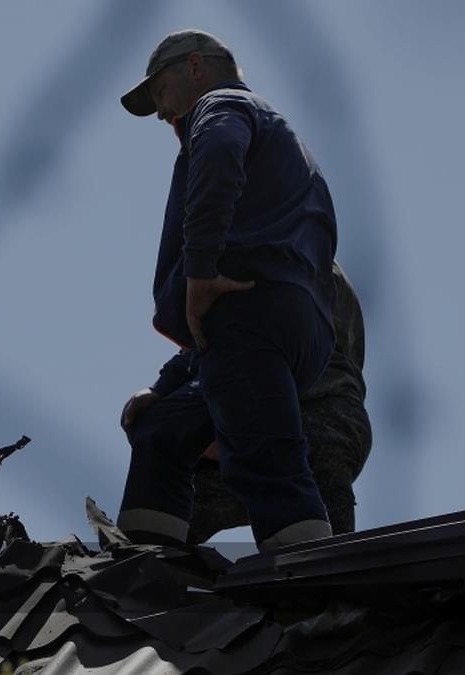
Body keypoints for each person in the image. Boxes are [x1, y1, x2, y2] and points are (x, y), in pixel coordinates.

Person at [116, 30, 344, 551]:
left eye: (160, 91)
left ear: (196, 66)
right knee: (161, 429)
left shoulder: (221, 107)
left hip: (249, 314)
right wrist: (165, 385)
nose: (160, 112)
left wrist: (198, 272)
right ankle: (146, 561)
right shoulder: (278, 137)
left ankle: (308, 576)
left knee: (264, 457)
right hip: (285, 324)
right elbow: (230, 317)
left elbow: (219, 156)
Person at [120, 262, 372, 545]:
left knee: (170, 451)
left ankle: (149, 550)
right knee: (327, 522)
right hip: (340, 426)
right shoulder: (309, 260)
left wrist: (165, 389)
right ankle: (334, 552)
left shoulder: (274, 259)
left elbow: (232, 341)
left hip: (308, 417)